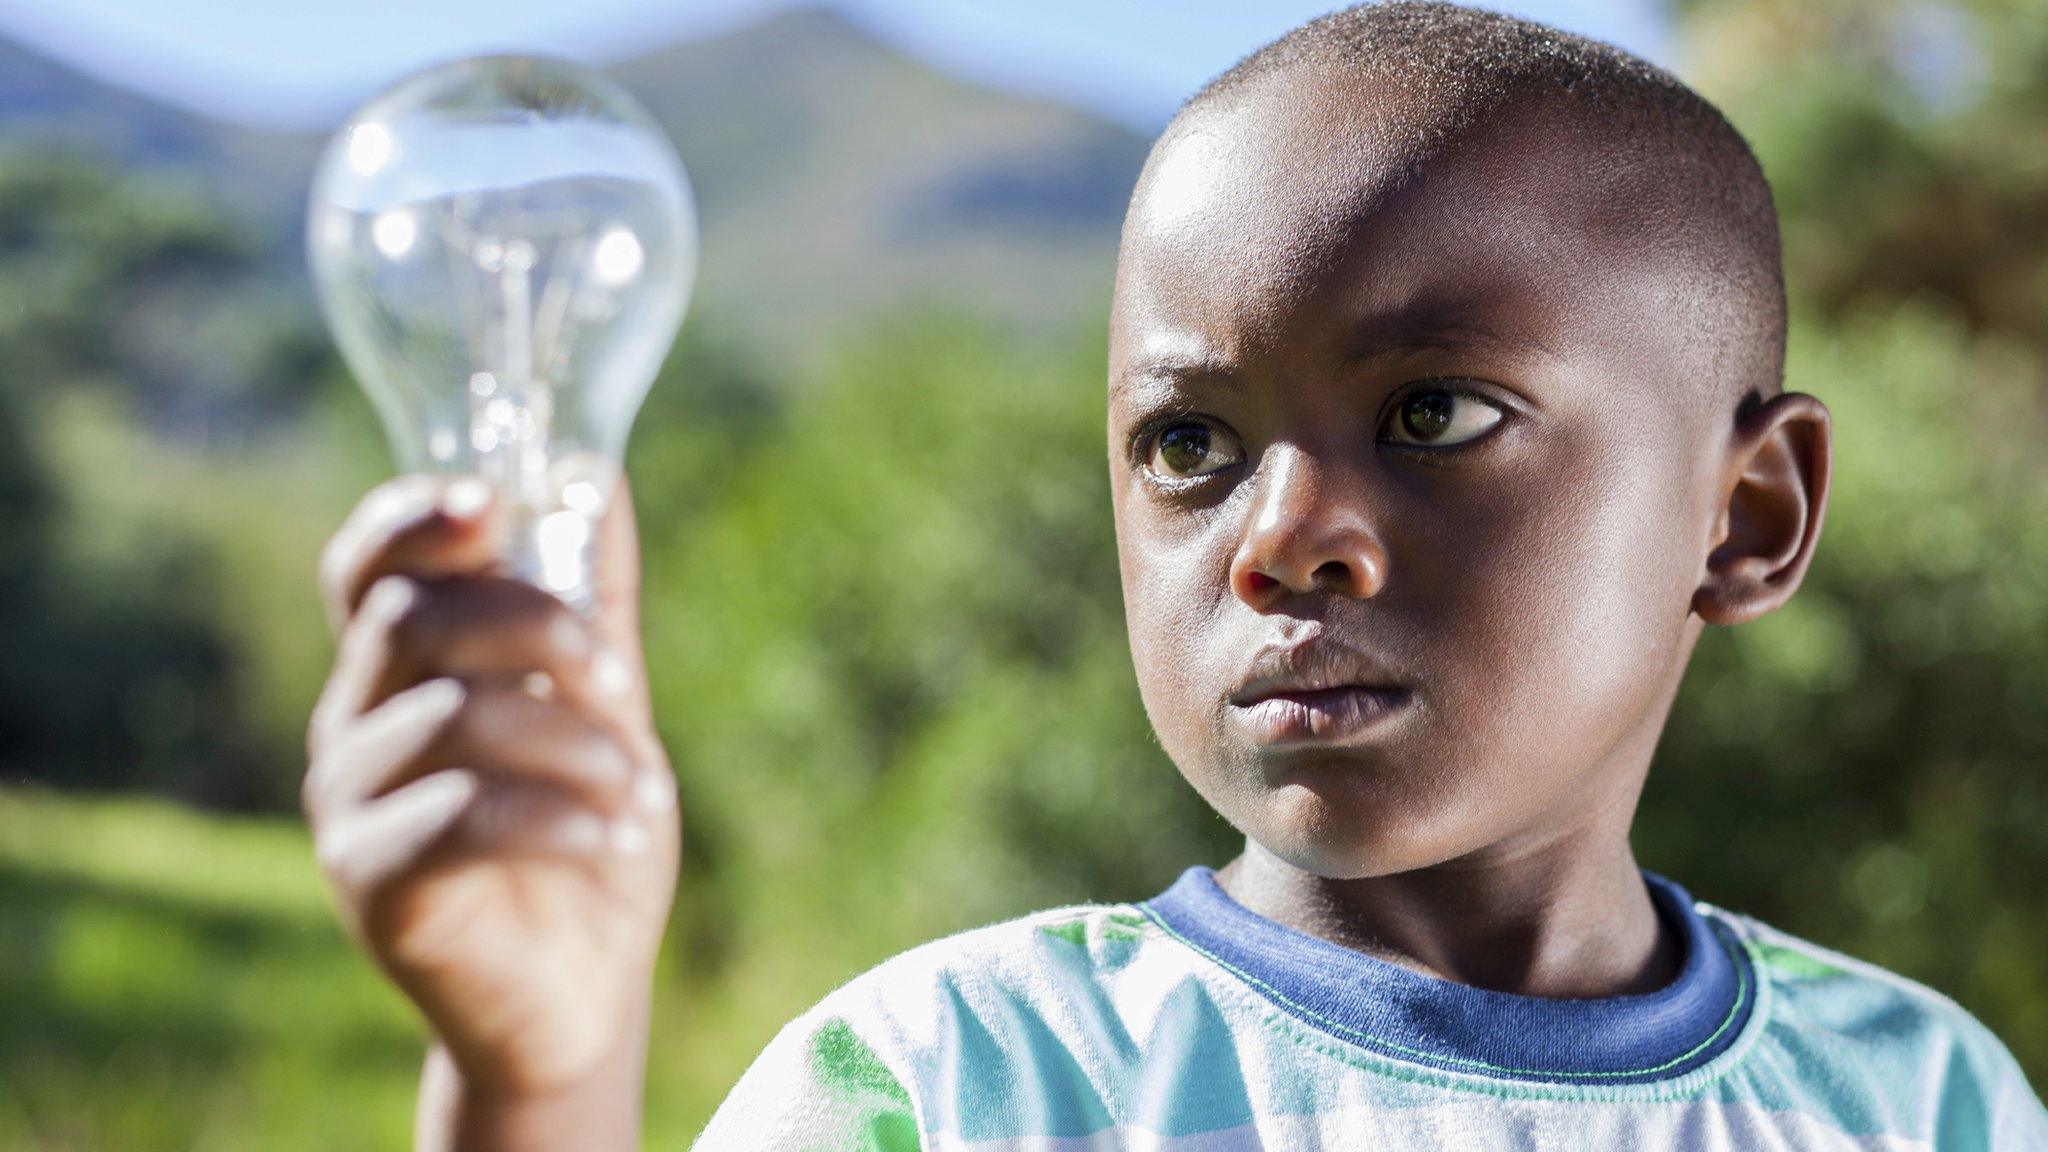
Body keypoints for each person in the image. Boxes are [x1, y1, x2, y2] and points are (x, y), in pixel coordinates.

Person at [300, 3, 2048, 1148]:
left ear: (1745, 517)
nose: (1281, 534)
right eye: (1188, 447)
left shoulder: (1922, 1098)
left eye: (1433, 412)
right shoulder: (958, 1080)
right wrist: (540, 1071)